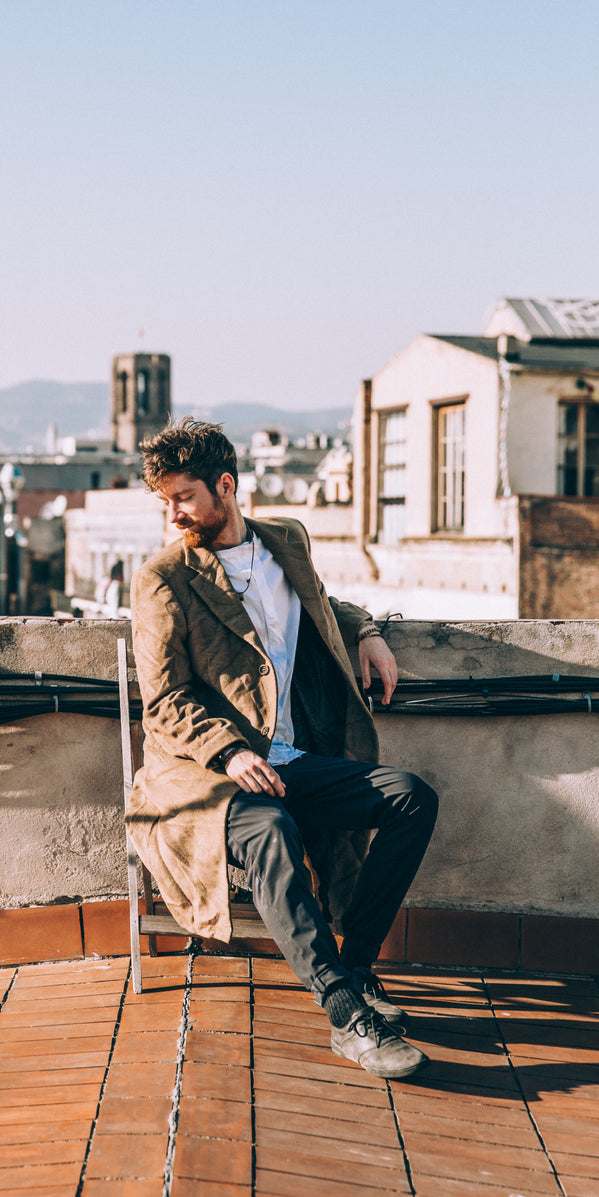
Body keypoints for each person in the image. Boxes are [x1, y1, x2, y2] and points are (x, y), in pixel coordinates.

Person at [127, 419, 438, 1079]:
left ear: (226, 486)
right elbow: (164, 702)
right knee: (271, 830)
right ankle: (348, 1016)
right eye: (165, 503)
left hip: (292, 761)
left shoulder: (286, 541)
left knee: (411, 798)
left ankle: (355, 969)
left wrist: (367, 631)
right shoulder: (163, 580)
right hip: (204, 776)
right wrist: (230, 754)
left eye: (183, 496)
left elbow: (321, 604)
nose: (174, 513)